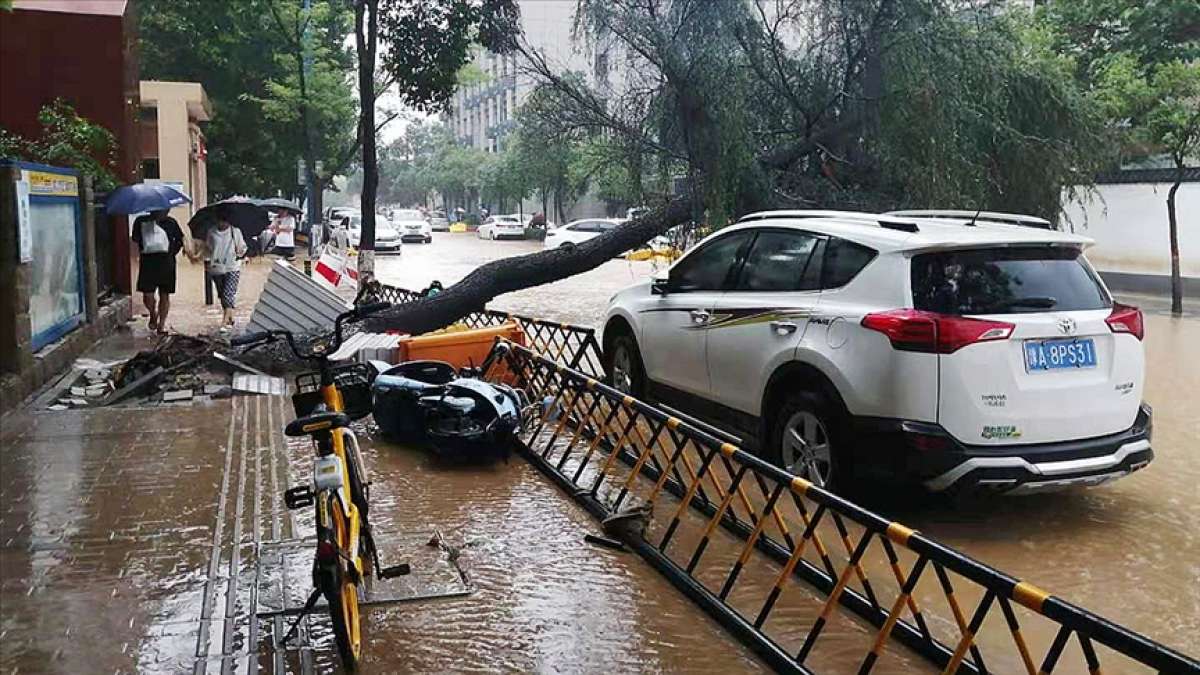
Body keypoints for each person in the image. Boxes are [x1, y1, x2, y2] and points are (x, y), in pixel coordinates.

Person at [131, 208, 186, 334]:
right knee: (147, 296)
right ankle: (152, 313)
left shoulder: (171, 223)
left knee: (165, 294)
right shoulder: (141, 221)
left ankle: (161, 324)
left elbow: (179, 239)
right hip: (148, 263)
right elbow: (135, 238)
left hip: (167, 263)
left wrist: (172, 252)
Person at [206, 214, 247, 330]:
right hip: (217, 268)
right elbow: (208, 248)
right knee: (222, 294)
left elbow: (242, 247)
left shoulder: (235, 232)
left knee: (228, 293)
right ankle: (230, 316)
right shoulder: (211, 232)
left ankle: (225, 322)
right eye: (220, 221)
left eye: (225, 221)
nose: (222, 224)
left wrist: (240, 252)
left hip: (233, 267)